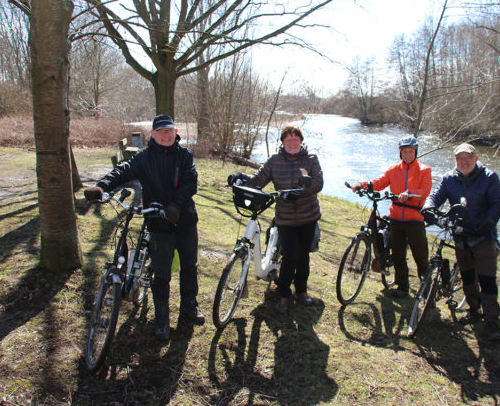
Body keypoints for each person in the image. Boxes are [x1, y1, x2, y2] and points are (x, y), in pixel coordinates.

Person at [84, 114, 204, 341]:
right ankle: (162, 320)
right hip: (159, 224)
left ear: (176, 132)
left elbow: (191, 182)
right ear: (153, 135)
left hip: (185, 220)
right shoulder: (143, 158)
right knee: (162, 274)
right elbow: (121, 171)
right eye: (161, 132)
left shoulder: (185, 156)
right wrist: (101, 187)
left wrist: (177, 206)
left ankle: (190, 307)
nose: (166, 136)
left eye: (170, 131)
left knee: (189, 266)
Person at [227, 124, 324, 314]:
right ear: (283, 142)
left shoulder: (311, 159)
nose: (292, 142)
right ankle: (284, 294)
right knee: (289, 256)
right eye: (288, 140)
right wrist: (240, 177)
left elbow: (319, 183)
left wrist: (305, 187)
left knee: (303, 256)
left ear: (301, 141)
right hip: (285, 218)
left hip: (308, 216)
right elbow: (258, 180)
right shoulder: (274, 160)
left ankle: (302, 291)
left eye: (296, 139)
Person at [423, 143, 500, 340]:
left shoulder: (489, 177)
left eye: (467, 158)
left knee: (487, 280)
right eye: (459, 158)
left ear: (475, 158)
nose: (464, 162)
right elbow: (437, 196)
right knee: (467, 277)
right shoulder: (449, 178)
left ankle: (491, 321)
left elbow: (497, 203)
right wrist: (429, 207)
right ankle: (474, 311)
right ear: (455, 161)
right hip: (461, 235)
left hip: (483, 236)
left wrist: (488, 223)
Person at [350, 136, 432, 298]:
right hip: (395, 218)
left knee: (420, 256)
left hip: (414, 219)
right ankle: (402, 287)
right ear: (400, 153)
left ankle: (426, 289)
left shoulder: (424, 170)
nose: (407, 154)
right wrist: (363, 184)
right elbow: (380, 182)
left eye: (410, 152)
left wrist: (409, 194)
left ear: (415, 152)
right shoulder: (394, 169)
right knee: (399, 254)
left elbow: (425, 190)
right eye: (404, 152)